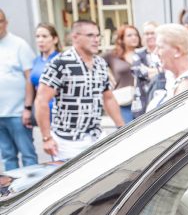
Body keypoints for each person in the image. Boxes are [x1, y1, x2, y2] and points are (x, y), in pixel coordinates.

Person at [34, 19, 124, 160]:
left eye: (97, 35)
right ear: (75, 37)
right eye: (90, 35)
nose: (96, 40)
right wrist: (46, 138)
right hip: (67, 141)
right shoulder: (60, 63)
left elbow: (108, 98)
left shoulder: (100, 63)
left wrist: (121, 127)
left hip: (95, 137)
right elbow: (41, 100)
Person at [0, 8, 37, 170]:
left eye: (0, 21)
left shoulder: (19, 44)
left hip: (18, 113)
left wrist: (27, 108)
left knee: (28, 155)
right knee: (8, 157)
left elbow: (30, 78)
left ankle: (34, 192)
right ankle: (14, 194)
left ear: (6, 23)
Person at [145, 24, 188, 112]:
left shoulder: (186, 86)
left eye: (159, 47)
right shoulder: (173, 77)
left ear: (177, 51)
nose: (155, 53)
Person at [104, 24, 141, 123]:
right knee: (127, 133)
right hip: (123, 102)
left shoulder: (143, 54)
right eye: (129, 35)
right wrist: (107, 75)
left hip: (142, 100)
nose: (134, 38)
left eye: (136, 35)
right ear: (122, 39)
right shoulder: (113, 55)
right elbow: (95, 63)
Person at [29, 23, 61, 130]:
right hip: (41, 111)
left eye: (44, 36)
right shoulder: (36, 61)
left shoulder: (61, 60)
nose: (40, 40)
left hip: (58, 112)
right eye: (37, 37)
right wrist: (29, 110)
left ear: (55, 39)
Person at [130, 21, 161, 118]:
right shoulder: (138, 54)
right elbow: (139, 71)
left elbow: (167, 71)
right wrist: (159, 71)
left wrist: (156, 72)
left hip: (160, 101)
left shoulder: (163, 51)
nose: (149, 36)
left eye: (152, 33)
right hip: (142, 103)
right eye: (147, 34)